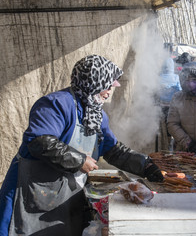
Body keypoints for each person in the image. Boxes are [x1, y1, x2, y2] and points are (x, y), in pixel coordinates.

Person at [0, 55, 164, 236]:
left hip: (64, 194)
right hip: (32, 190)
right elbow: (39, 141)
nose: (110, 90)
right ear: (93, 82)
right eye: (107, 85)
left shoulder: (97, 114)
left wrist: (145, 165)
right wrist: (79, 161)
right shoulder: (56, 104)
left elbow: (113, 149)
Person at [157, 57, 181, 151]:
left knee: (162, 130)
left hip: (160, 107)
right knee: (172, 128)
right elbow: (180, 91)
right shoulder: (176, 77)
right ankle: (170, 147)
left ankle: (163, 146)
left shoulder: (158, 78)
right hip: (173, 108)